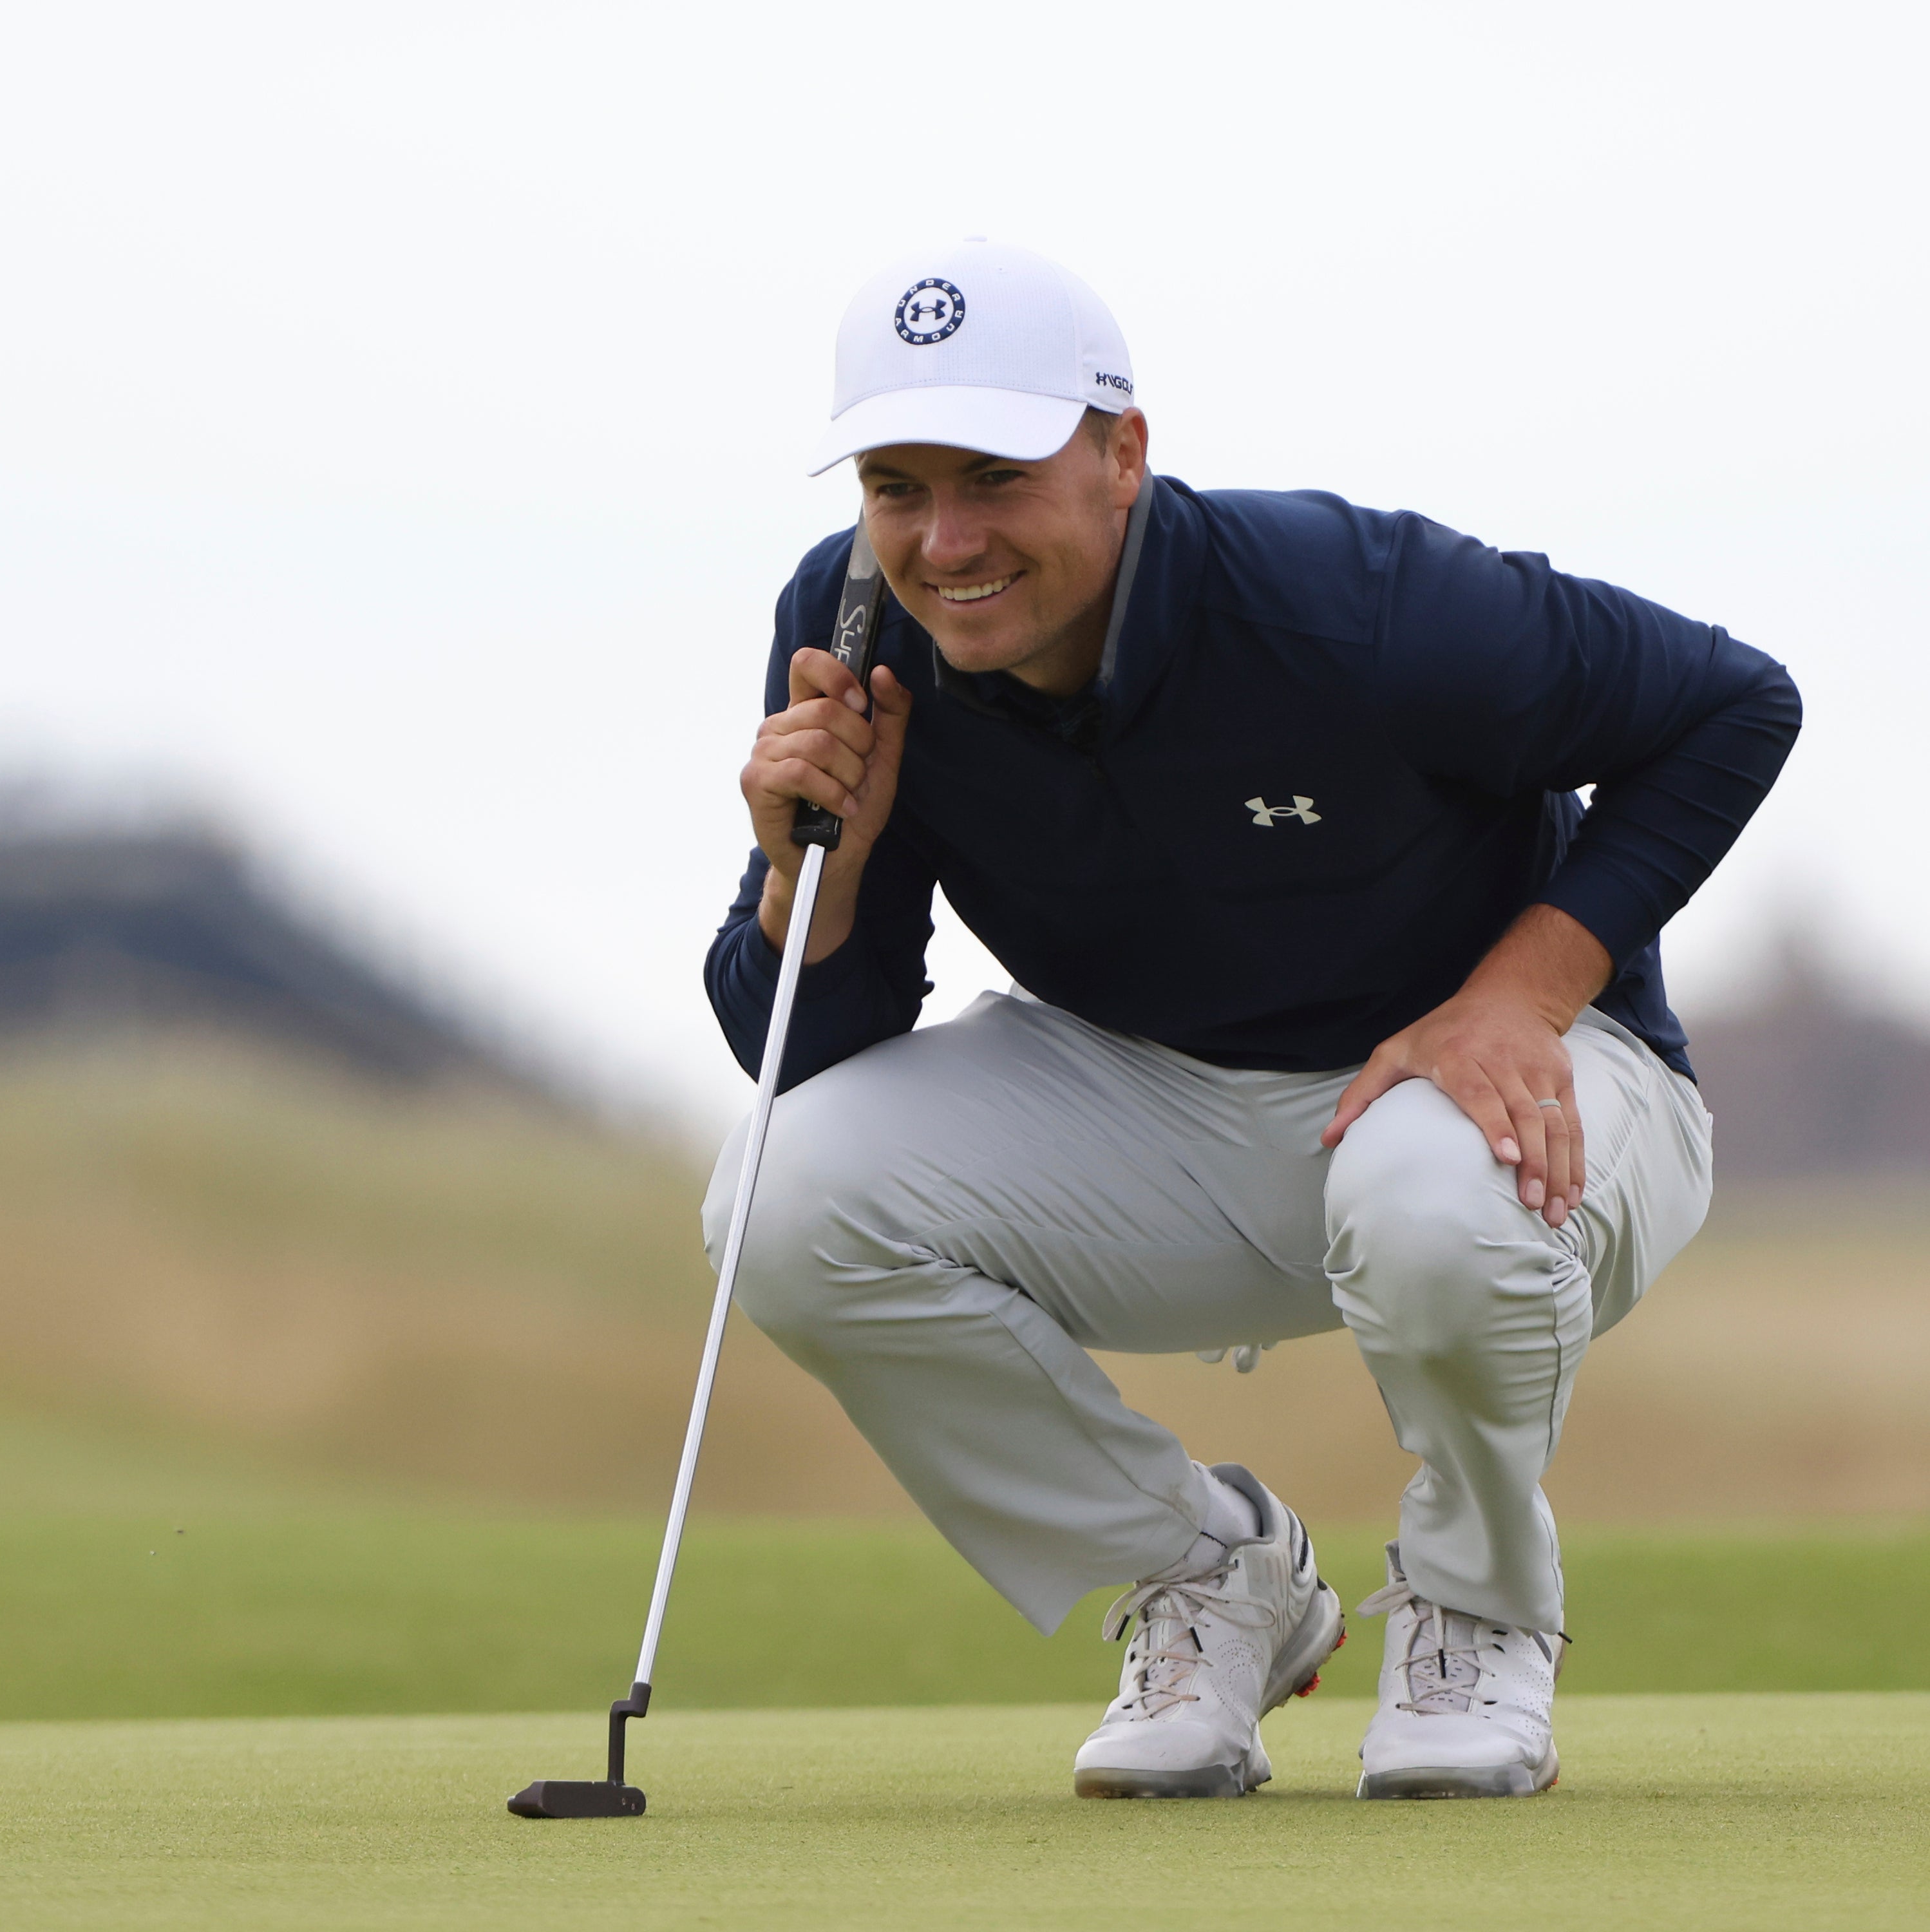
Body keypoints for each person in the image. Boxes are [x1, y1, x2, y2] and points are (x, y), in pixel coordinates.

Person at [703, 241, 1800, 1799]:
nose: (944, 540)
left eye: (994, 477)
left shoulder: (1356, 605)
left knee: (1429, 1196)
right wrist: (806, 875)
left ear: (1121, 455)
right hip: (1150, 1108)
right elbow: (812, 1054)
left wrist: (1523, 992)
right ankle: (1214, 1575)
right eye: (896, 486)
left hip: (1520, 1097)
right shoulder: (855, 626)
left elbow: (1731, 703)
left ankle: (1476, 1610)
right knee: (778, 1189)